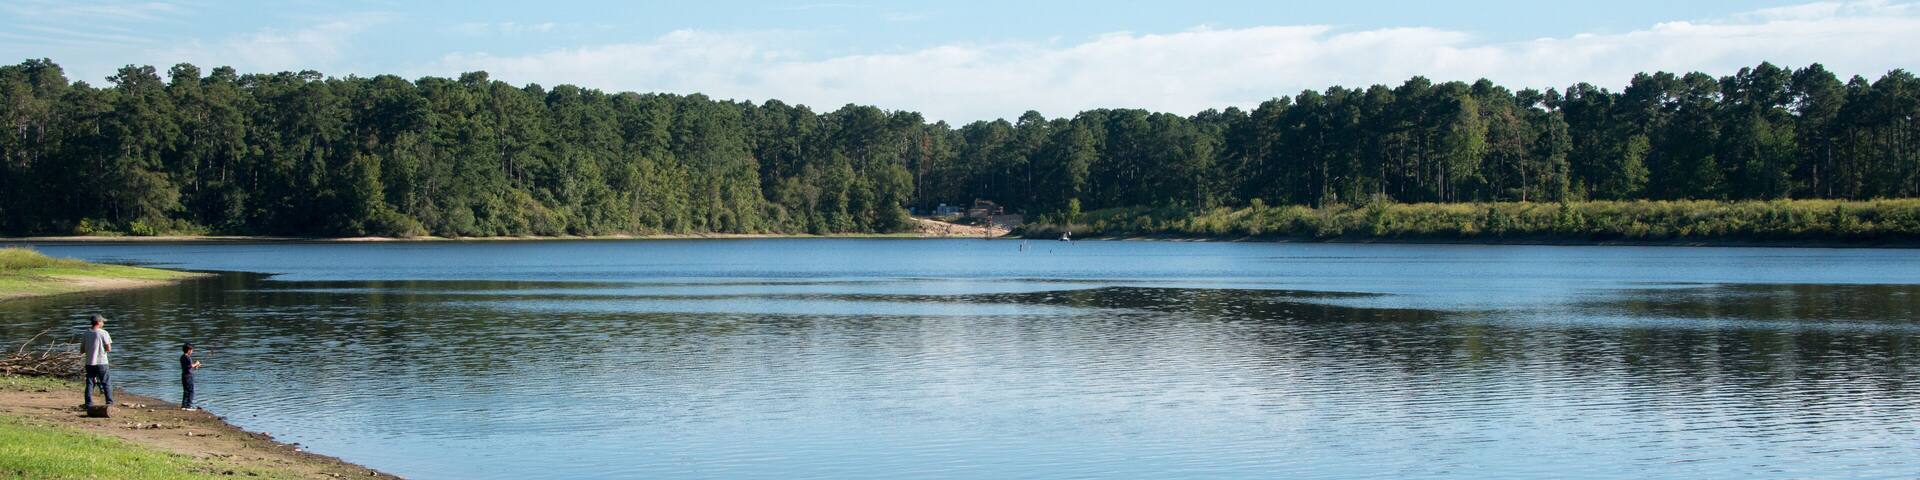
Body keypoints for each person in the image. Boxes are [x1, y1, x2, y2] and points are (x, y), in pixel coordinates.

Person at [80, 314, 113, 408]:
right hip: (102, 362)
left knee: (90, 382)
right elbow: (108, 348)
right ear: (98, 323)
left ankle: (88, 403)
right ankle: (109, 403)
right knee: (106, 382)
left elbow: (82, 350)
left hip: (89, 362)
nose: (103, 323)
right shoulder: (103, 333)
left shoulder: (86, 333)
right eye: (102, 322)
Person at [180, 343, 202, 410]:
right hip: (188, 376)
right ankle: (189, 406)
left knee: (186, 391)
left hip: (184, 375)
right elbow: (190, 366)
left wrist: (196, 366)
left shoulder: (182, 357)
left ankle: (184, 405)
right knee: (191, 391)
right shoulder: (188, 357)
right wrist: (196, 363)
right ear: (189, 350)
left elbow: (187, 367)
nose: (192, 351)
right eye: (192, 350)